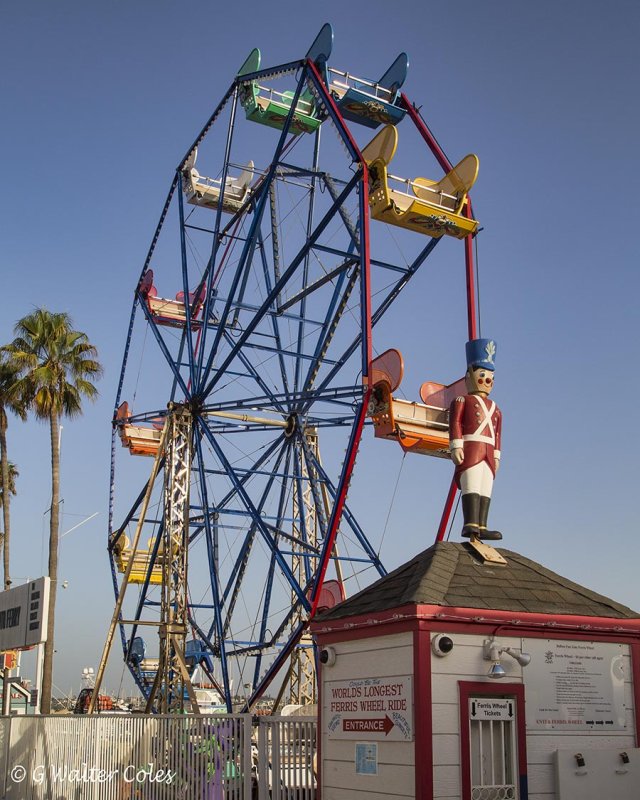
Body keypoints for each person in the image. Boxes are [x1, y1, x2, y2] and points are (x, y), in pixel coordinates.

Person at [448, 339, 502, 541]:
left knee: (485, 486)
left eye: (491, 377)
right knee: (471, 483)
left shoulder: (496, 408)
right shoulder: (462, 401)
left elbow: (497, 434)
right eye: (482, 376)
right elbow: (455, 423)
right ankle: (470, 522)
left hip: (487, 452)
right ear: (469, 377)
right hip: (471, 448)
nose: (488, 381)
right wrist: (456, 445)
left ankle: (482, 524)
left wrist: (497, 454)